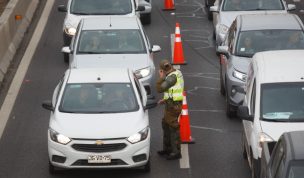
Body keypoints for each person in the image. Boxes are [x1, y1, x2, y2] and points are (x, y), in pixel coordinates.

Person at [156, 60, 184, 160]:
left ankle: (176, 152)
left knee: (172, 127)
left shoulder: (171, 77)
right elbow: (172, 91)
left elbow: (160, 88)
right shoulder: (174, 73)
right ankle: (167, 148)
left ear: (162, 70)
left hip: (174, 106)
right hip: (170, 104)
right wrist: (165, 99)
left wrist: (161, 78)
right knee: (166, 124)